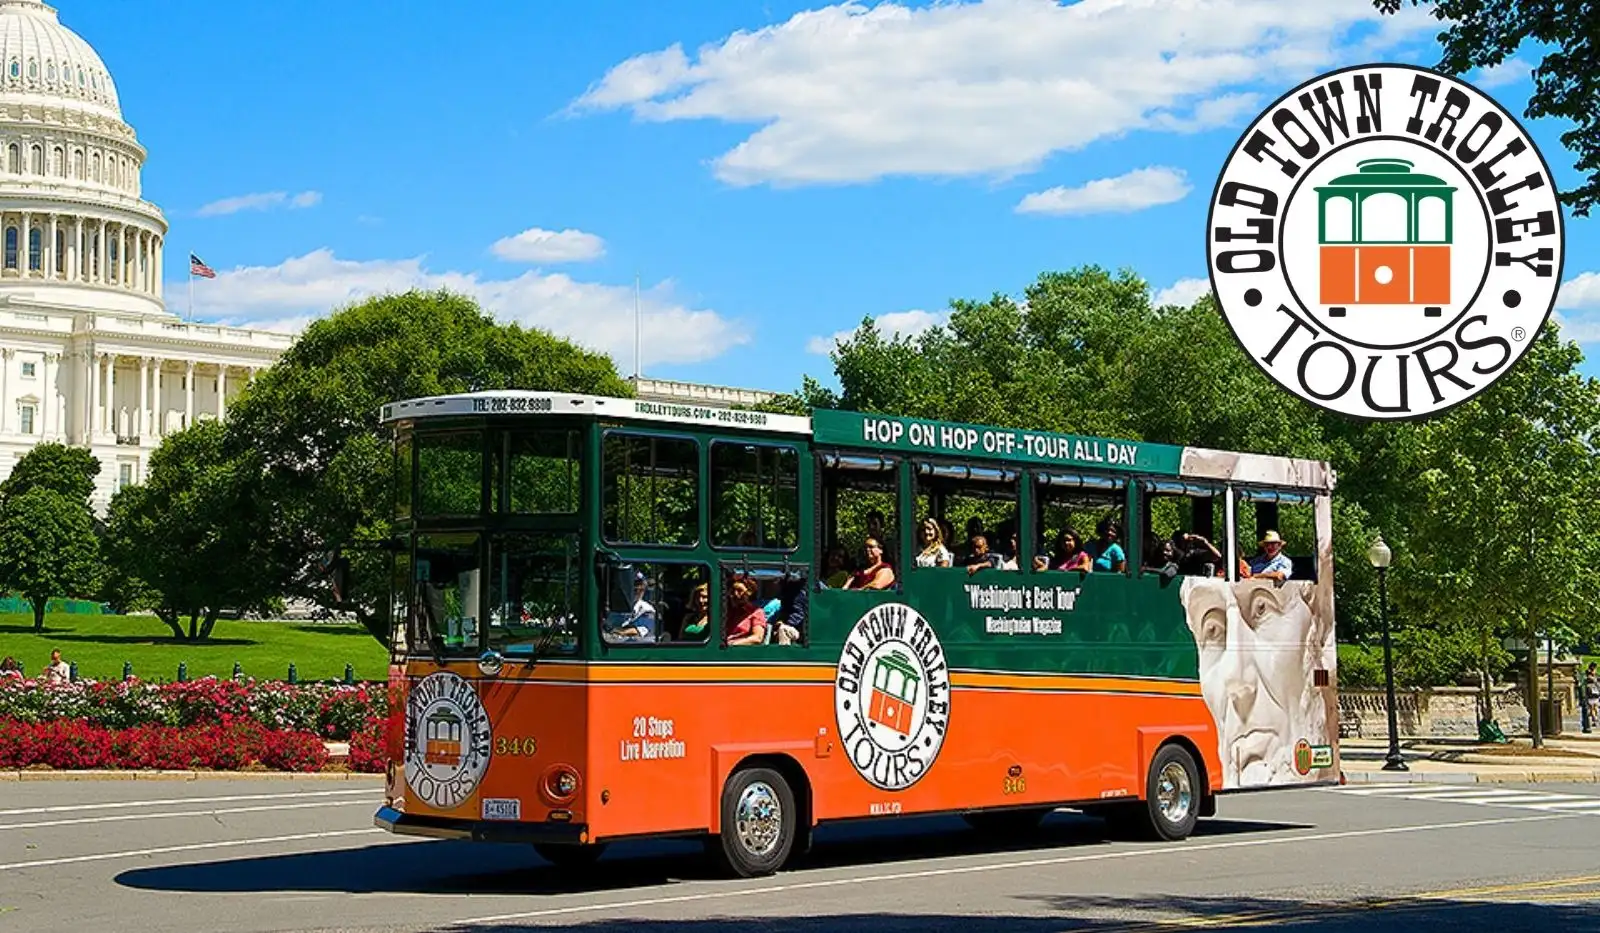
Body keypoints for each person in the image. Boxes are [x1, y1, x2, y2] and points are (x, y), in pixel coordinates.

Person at [724, 576, 768, 646]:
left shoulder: (757, 612)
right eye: (732, 591)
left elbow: (757, 638)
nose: (735, 594)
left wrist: (733, 644)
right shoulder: (727, 612)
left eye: (740, 590)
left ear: (749, 592)